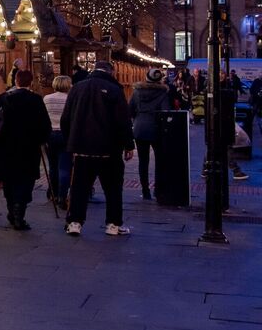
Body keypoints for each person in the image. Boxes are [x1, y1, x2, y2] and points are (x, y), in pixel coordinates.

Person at [61, 60, 135, 237]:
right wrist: (128, 145)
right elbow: (123, 121)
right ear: (111, 72)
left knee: (79, 186)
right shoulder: (115, 90)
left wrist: (71, 141)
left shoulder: (77, 88)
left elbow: (66, 119)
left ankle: (74, 222)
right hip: (109, 149)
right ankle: (113, 224)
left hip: (82, 148)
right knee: (113, 189)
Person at [0, 70, 51, 230]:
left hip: (6, 146)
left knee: (9, 179)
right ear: (30, 82)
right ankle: (19, 213)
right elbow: (45, 125)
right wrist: (42, 139)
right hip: (28, 147)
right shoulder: (36, 100)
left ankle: (12, 209)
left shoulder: (3, 99)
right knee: (25, 180)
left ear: (15, 80)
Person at [129, 68, 170, 201]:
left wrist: (137, 119)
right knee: (160, 161)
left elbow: (130, 110)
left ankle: (145, 190)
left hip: (140, 127)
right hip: (157, 129)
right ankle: (158, 190)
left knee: (143, 160)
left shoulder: (137, 92)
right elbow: (166, 112)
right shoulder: (163, 93)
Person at [43, 76, 73, 209]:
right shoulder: (70, 99)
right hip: (65, 134)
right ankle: (62, 195)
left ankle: (53, 193)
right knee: (65, 167)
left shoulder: (47, 99)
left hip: (50, 134)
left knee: (53, 166)